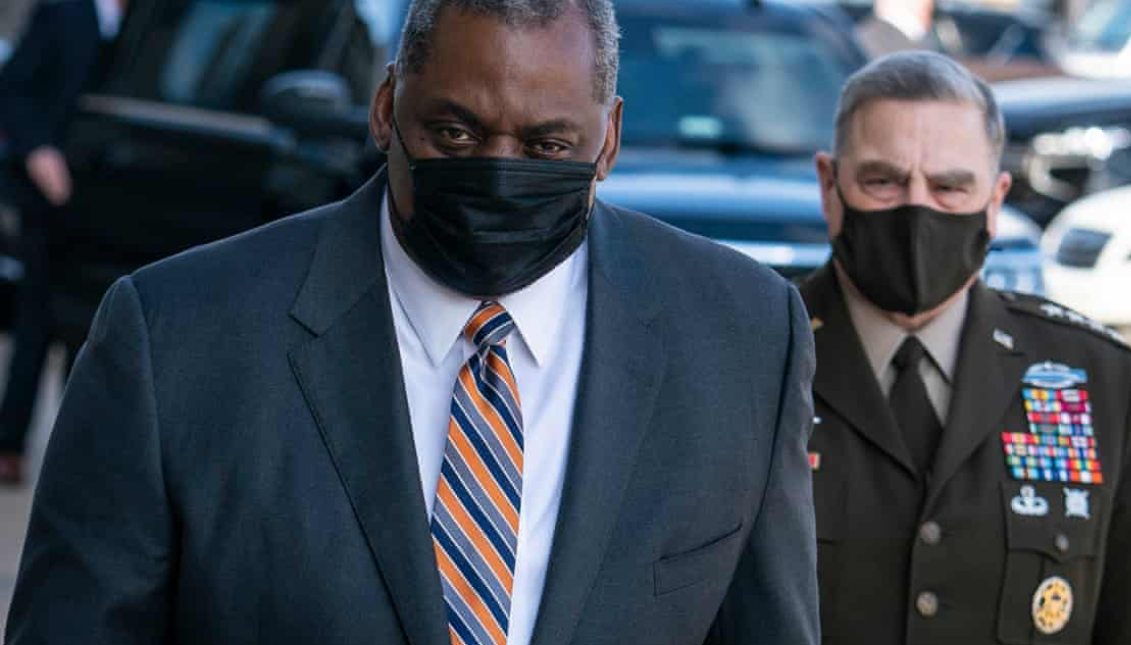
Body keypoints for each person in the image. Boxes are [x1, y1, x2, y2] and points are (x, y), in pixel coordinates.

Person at [5, 1, 820, 643]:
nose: (497, 173)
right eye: (455, 132)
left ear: (605, 140)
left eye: (546, 147)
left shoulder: (742, 336)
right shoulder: (176, 336)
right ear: (387, 105)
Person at [805, 50, 1131, 645]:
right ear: (830, 185)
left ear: (996, 198)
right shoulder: (752, 354)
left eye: (950, 187)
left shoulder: (1098, 379)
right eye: (884, 181)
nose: (917, 208)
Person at [0, 0, 125, 485]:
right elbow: (12, 87)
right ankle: (10, 442)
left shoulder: (143, 21)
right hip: (49, 192)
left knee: (96, 323)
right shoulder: (65, 11)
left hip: (105, 194)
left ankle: (74, 450)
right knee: (37, 317)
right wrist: (38, 151)